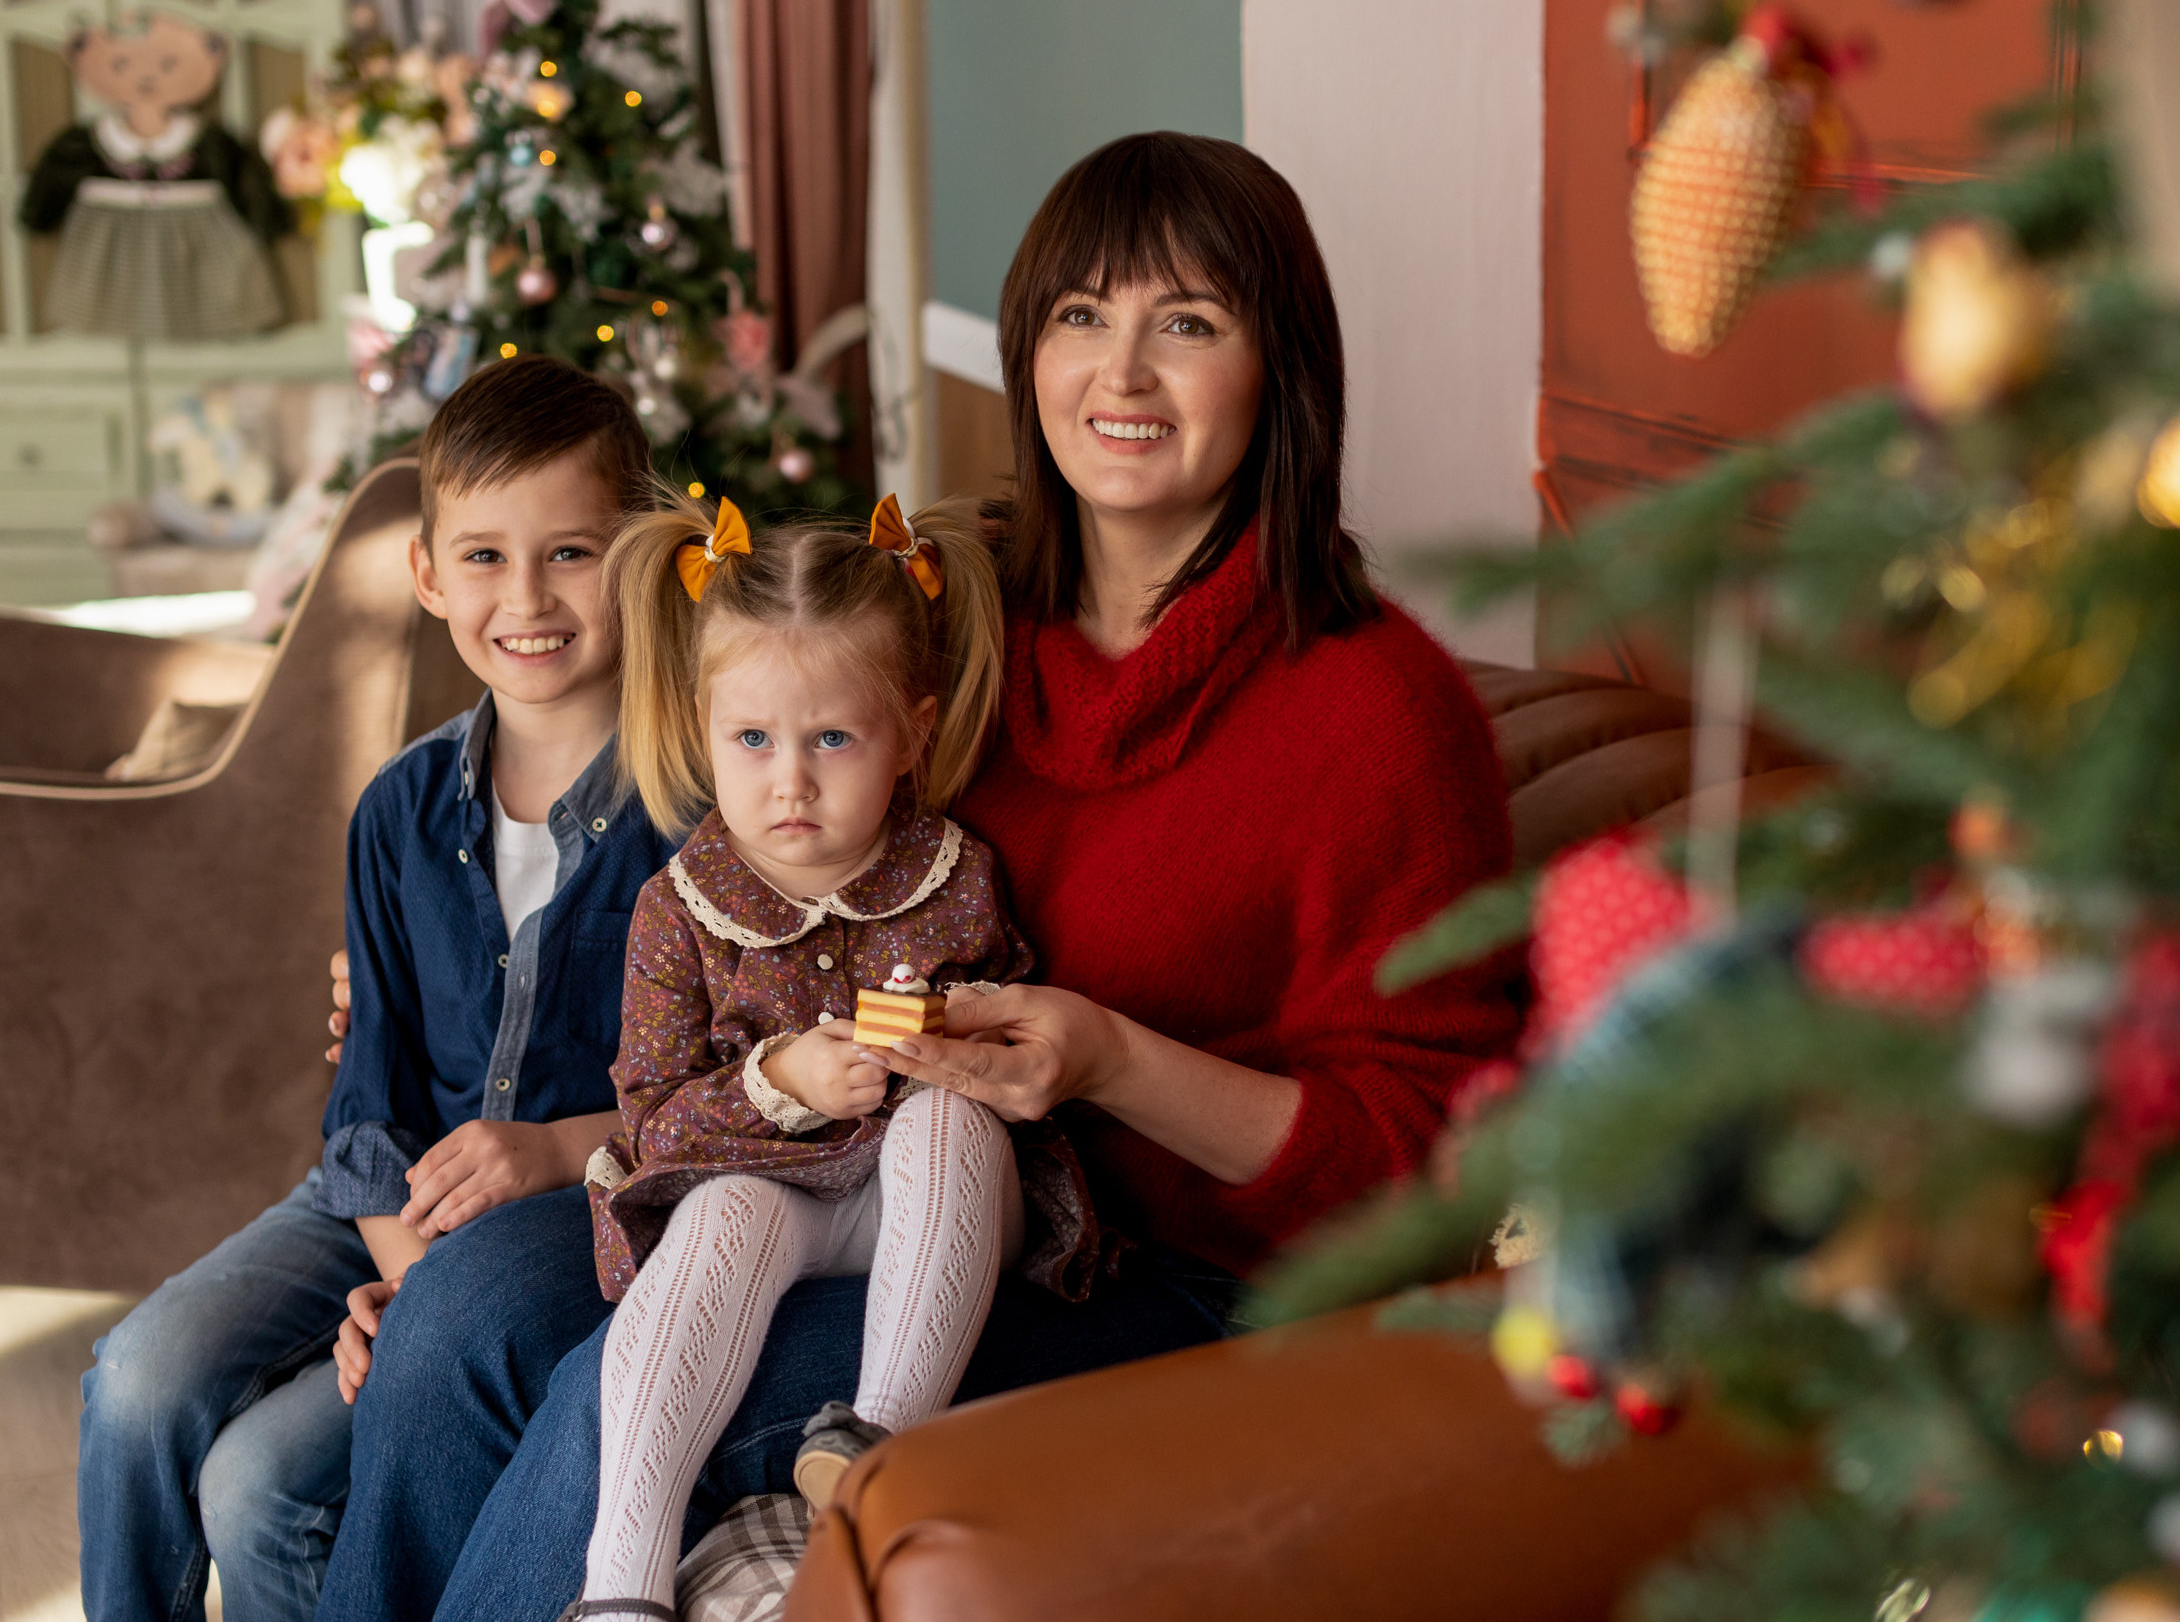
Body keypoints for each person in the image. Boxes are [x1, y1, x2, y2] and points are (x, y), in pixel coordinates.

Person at [320, 131, 1523, 1622]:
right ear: (1026, 352)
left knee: (618, 1398)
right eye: (1082, 316)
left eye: (1189, 323)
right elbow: (741, 827)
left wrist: (1112, 1056)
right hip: (855, 1175)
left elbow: (1430, 1153)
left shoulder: (1377, 711)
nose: (1123, 374)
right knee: (454, 1326)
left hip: (1168, 1279)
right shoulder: (960, 620)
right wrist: (418, 991)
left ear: (1283, 368)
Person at [75, 354, 672, 1622]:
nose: (527, 597)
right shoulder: (400, 808)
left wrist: (464, 1277)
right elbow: (367, 1096)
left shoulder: (695, 816)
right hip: (383, 1194)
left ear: (640, 555)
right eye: (484, 557)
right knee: (136, 1375)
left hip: (564, 1218)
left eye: (571, 552)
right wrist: (407, 1275)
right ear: (425, 573)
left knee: (260, 1484)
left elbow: (719, 1087)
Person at [571, 491, 1102, 1617]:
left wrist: (946, 1035)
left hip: (945, 1197)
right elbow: (651, 1123)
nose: (791, 780)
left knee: (947, 1121)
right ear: (702, 727)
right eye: (752, 739)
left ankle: (879, 1436)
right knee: (720, 1216)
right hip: (786, 1202)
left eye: (833, 739)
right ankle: (620, 1579)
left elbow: (1016, 1049)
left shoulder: (955, 873)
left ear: (910, 734)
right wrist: (781, 1081)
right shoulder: (678, 910)